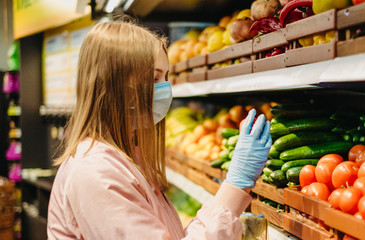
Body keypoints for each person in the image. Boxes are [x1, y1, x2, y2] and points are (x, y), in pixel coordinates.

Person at [47, 19, 272, 240]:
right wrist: (234, 186)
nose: (165, 89)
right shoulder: (96, 173)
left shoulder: (124, 156)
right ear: (115, 85)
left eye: (165, 77)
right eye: (155, 78)